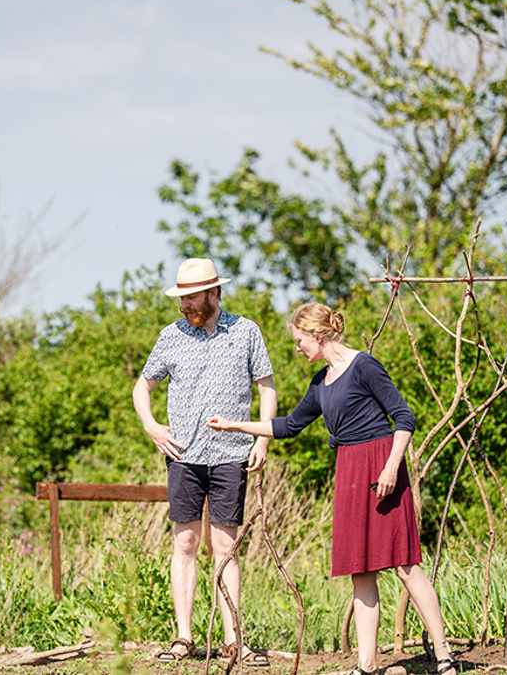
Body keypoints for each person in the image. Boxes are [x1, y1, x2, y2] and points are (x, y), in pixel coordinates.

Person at [207, 302, 458, 675]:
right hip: (350, 472)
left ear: (318, 335)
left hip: (381, 466)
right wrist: (234, 426)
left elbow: (404, 417)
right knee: (361, 571)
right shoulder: (320, 382)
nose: (297, 348)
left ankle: (443, 654)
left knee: (405, 566)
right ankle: (367, 666)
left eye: (299, 340)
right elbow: (289, 426)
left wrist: (392, 465)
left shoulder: (364, 366)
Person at [132, 257, 278, 665]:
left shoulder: (246, 331)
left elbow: (267, 390)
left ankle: (234, 638)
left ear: (213, 292)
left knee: (226, 546)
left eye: (191, 296)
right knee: (186, 542)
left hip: (232, 454)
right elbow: (141, 388)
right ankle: (184, 637)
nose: (184, 305)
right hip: (184, 455)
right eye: (181, 297)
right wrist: (152, 426)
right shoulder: (170, 336)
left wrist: (262, 439)